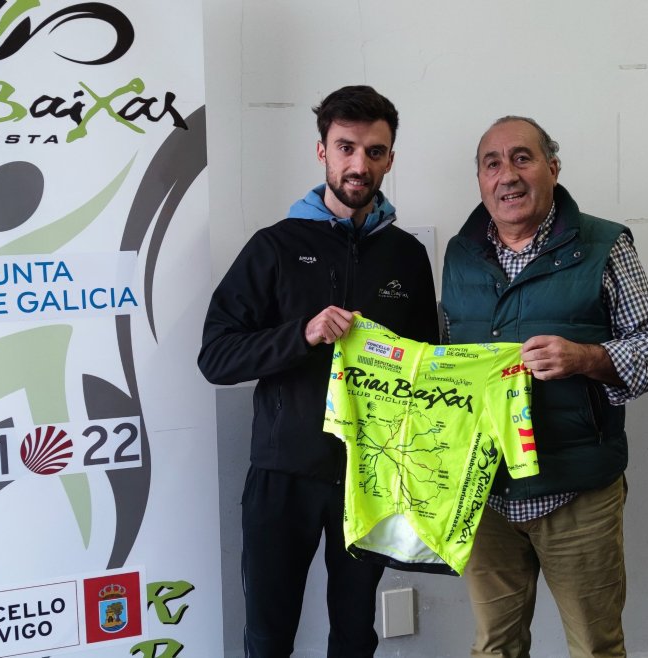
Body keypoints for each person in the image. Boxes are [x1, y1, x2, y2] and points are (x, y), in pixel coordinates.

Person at [198, 85, 438, 658]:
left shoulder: (407, 256)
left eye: (374, 152)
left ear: (390, 159)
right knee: (268, 636)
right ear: (322, 151)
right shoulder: (275, 246)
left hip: (369, 480)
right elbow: (216, 357)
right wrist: (300, 335)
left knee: (355, 636)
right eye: (346, 148)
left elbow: (427, 368)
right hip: (283, 475)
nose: (359, 165)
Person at [441, 116, 648, 658]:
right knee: (494, 648)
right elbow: (448, 357)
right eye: (492, 163)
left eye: (522, 158)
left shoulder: (604, 245)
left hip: (577, 493)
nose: (507, 175)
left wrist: (587, 357)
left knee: (595, 648)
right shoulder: (459, 253)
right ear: (480, 180)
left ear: (553, 167)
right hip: (487, 495)